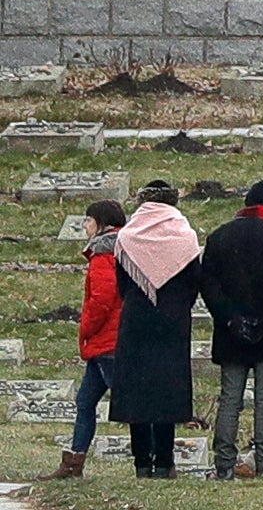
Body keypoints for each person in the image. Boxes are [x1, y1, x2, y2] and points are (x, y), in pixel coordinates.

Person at [201, 178, 263, 478]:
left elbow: (208, 285)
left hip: (231, 334)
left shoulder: (220, 237)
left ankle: (225, 465)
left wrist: (232, 319)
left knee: (230, 399)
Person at [109, 181, 201, 480]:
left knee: (138, 390)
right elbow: (192, 283)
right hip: (173, 321)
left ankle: (140, 463)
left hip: (136, 319)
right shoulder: (185, 236)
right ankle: (164, 461)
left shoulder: (127, 236)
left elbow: (122, 284)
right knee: (166, 390)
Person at [42, 200, 127, 479]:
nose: (85, 227)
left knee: (127, 402)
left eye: (89, 221)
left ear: (101, 224)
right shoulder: (123, 251)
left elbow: (101, 300)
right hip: (108, 342)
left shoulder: (104, 256)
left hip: (107, 342)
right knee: (85, 401)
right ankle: (74, 461)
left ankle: (154, 460)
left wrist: (86, 329)